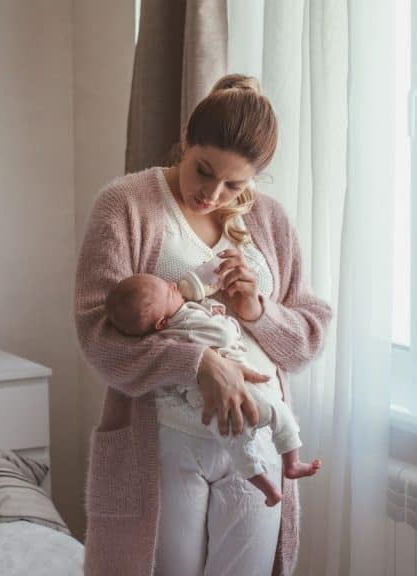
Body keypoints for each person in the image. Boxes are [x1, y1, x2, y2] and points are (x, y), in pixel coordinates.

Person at [75, 74, 332, 576]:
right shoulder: (126, 205)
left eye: (234, 184)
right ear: (187, 137)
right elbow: (97, 337)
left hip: (255, 439)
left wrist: (259, 311)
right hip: (165, 442)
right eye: (203, 171)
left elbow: (307, 339)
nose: (211, 194)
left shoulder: (272, 222)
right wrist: (197, 363)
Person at [104, 272, 322, 507]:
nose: (173, 283)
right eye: (168, 291)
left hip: (208, 409)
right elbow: (224, 334)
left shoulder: (166, 334)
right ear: (161, 322)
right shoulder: (185, 319)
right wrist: (226, 319)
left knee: (240, 448)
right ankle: (292, 462)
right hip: (243, 393)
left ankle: (267, 488)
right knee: (280, 415)